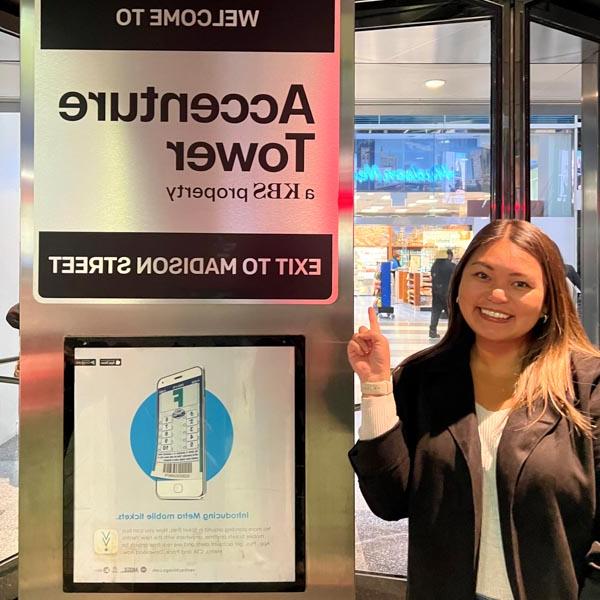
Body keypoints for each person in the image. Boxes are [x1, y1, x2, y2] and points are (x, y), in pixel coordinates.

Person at [347, 220, 600, 600]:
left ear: (548, 299)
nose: (496, 294)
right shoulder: (422, 378)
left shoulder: (585, 386)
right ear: (459, 285)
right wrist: (377, 387)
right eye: (482, 275)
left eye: (520, 284)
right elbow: (389, 501)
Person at [429, 248, 455, 338]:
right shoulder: (452, 266)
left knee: (435, 312)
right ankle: (452, 333)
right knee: (451, 314)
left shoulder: (434, 265)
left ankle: (432, 332)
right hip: (447, 293)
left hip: (436, 292)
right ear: (448, 256)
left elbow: (433, 277)